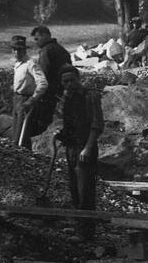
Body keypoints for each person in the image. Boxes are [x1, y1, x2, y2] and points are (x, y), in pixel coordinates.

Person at [56, 66, 104, 240]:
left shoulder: (89, 96)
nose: (69, 84)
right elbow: (66, 122)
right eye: (65, 81)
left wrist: (88, 148)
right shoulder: (66, 99)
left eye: (71, 80)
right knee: (74, 189)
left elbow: (97, 125)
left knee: (85, 190)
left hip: (85, 149)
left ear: (78, 79)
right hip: (71, 149)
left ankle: (86, 232)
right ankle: (79, 226)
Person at [30, 25, 71, 135]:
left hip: (48, 94)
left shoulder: (46, 51)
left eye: (37, 39)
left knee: (41, 123)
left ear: (45, 35)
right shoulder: (62, 50)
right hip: (62, 91)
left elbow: (43, 75)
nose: (36, 42)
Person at [9, 35, 48, 150]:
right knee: (15, 135)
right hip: (16, 99)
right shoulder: (17, 64)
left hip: (26, 101)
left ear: (25, 50)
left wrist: (32, 100)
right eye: (15, 50)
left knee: (21, 137)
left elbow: (43, 83)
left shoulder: (31, 64)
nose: (17, 52)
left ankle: (26, 161)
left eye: (20, 50)